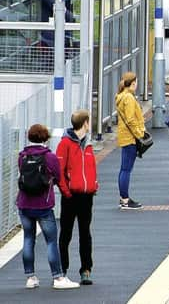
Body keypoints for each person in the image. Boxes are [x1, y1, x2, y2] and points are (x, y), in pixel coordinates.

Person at [16, 124, 80, 290]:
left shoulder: (22, 156)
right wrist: (67, 194)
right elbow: (58, 177)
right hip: (43, 205)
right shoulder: (49, 157)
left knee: (28, 239)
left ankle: (30, 277)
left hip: (24, 204)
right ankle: (58, 278)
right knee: (51, 241)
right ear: (45, 138)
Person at [56, 109, 97, 286]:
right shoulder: (65, 144)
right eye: (89, 122)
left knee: (85, 233)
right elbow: (59, 171)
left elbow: (91, 166)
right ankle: (62, 270)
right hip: (71, 195)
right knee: (66, 233)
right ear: (85, 123)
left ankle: (86, 269)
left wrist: (94, 184)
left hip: (87, 195)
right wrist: (66, 191)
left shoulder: (88, 144)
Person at [115, 71, 146, 210]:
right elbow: (130, 119)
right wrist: (139, 133)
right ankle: (125, 199)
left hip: (125, 136)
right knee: (126, 169)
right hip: (130, 137)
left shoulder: (121, 96)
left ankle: (124, 198)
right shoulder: (129, 98)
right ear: (133, 83)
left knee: (124, 169)